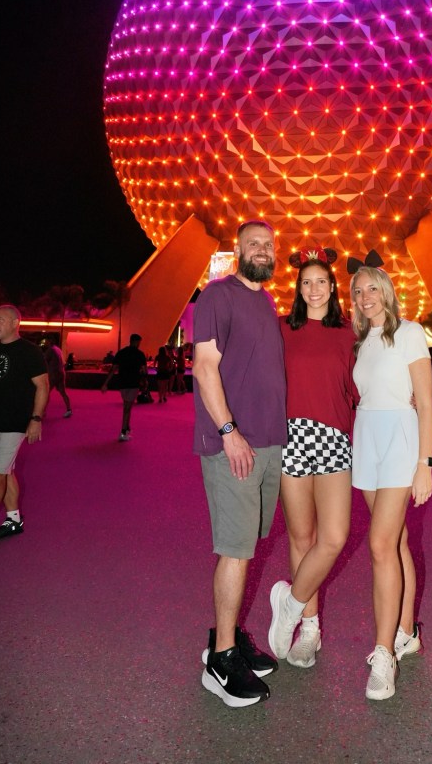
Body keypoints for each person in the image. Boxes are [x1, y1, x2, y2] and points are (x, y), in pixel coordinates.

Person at [193, 220, 287, 708]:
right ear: (238, 249)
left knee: (248, 543)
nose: (263, 251)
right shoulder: (217, 295)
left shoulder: (266, 301)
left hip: (269, 444)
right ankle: (221, 659)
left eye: (269, 245)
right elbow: (205, 366)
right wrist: (229, 431)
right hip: (235, 442)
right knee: (235, 548)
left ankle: (225, 635)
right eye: (254, 244)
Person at [348, 258, 432, 701]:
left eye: (372, 289)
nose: (366, 297)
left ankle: (384, 654)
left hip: (401, 440)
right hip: (366, 440)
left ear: (387, 290)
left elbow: (426, 403)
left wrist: (425, 462)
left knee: (380, 545)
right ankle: (406, 633)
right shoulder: (361, 341)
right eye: (359, 292)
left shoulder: (410, 332)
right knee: (396, 544)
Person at [268, 248, 357, 669]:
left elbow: (362, 385)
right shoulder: (281, 328)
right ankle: (309, 629)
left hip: (334, 438)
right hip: (291, 437)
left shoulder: (348, 331)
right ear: (298, 288)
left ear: (333, 286)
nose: (314, 288)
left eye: (321, 281)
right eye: (307, 282)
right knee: (302, 538)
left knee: (334, 537)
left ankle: (290, 601)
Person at [0, 305, 49, 547]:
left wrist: (36, 419)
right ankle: (14, 520)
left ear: (14, 323)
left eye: (0, 319)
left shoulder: (28, 351)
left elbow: (42, 386)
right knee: (3, 472)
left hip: (14, 423)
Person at [100, 333, 147, 441]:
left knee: (127, 405)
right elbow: (145, 371)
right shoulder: (140, 354)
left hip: (122, 383)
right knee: (127, 408)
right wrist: (144, 381)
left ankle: (127, 427)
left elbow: (113, 369)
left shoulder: (121, 353)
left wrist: (105, 383)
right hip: (133, 383)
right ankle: (123, 431)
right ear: (136, 342)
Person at [41, 337, 72, 417]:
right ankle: (69, 409)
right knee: (63, 392)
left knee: (46, 392)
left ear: (50, 341)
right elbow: (63, 363)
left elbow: (43, 360)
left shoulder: (50, 350)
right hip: (61, 372)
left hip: (53, 374)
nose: (45, 342)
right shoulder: (58, 349)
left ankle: (43, 411)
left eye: (46, 341)